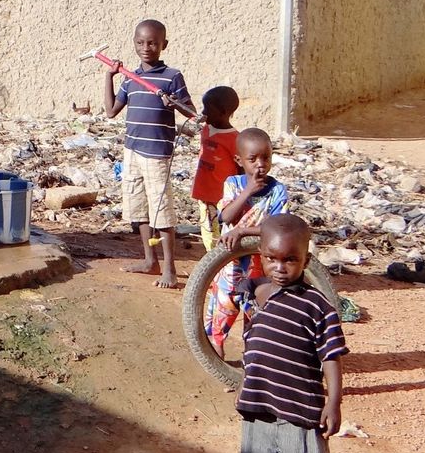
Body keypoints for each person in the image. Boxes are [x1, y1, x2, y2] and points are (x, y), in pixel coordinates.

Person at [236, 213, 347, 453]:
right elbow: (243, 286)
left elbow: (331, 356)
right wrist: (248, 284)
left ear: (306, 260)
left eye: (290, 260)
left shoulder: (318, 307)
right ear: (261, 256)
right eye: (271, 258)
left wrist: (333, 402)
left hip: (299, 407)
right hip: (261, 400)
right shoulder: (259, 292)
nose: (280, 267)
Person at [103, 19, 196, 288]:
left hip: (157, 154)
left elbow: (191, 112)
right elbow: (111, 112)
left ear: (163, 45)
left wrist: (174, 102)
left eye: (153, 43)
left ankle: (170, 268)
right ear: (134, 44)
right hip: (132, 150)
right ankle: (149, 260)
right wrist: (109, 77)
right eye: (141, 43)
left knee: (162, 211)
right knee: (139, 207)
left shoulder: (172, 77)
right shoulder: (131, 80)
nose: (147, 48)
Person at [205, 127, 288, 358]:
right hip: (230, 261)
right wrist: (248, 191)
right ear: (239, 160)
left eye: (266, 158)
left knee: (257, 310)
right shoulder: (233, 184)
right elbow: (226, 216)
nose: (260, 164)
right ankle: (216, 354)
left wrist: (243, 232)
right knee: (226, 305)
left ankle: (251, 359)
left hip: (261, 262)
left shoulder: (277, 191)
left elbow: (276, 228)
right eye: (253, 159)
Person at [191, 86, 240, 251]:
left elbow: (241, 168)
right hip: (205, 192)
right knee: (208, 231)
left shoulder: (234, 139)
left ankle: (224, 264)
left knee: (226, 230)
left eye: (208, 109)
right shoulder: (206, 129)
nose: (204, 112)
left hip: (224, 197)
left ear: (223, 112)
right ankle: (211, 264)